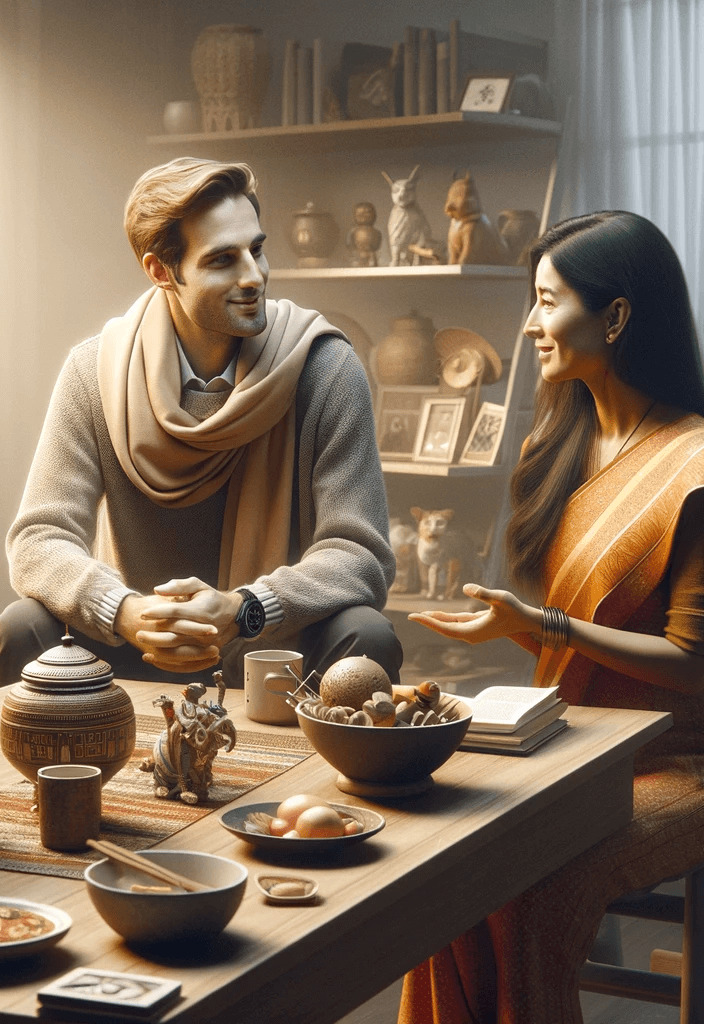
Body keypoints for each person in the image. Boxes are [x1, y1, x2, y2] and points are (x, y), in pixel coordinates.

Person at [398, 210, 704, 1024]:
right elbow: (558, 626)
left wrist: (547, 627)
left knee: (534, 885)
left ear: (616, 315)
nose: (530, 323)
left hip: (679, 763)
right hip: (565, 746)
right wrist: (518, 627)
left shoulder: (694, 462)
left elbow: (691, 661)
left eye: (547, 300)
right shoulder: (559, 444)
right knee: (440, 860)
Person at [0, 157, 401, 690]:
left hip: (274, 649)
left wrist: (245, 609)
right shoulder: (94, 373)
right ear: (162, 270)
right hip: (134, 645)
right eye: (222, 260)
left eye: (256, 250)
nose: (254, 277)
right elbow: (39, 537)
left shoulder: (321, 367)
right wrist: (125, 613)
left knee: (367, 634)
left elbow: (361, 553)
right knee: (22, 626)